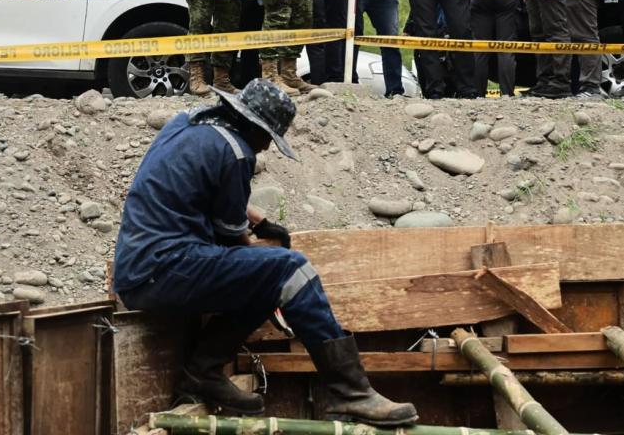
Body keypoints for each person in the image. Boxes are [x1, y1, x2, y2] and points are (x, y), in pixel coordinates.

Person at [112, 78, 417, 426]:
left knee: (266, 278)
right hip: (166, 269)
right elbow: (231, 238)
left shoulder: (188, 124)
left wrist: (258, 220)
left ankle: (203, 373)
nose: (267, 148)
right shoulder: (236, 152)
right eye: (268, 138)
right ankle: (352, 393)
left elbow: (201, 191)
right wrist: (267, 256)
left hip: (141, 269)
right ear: (254, 127)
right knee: (291, 270)